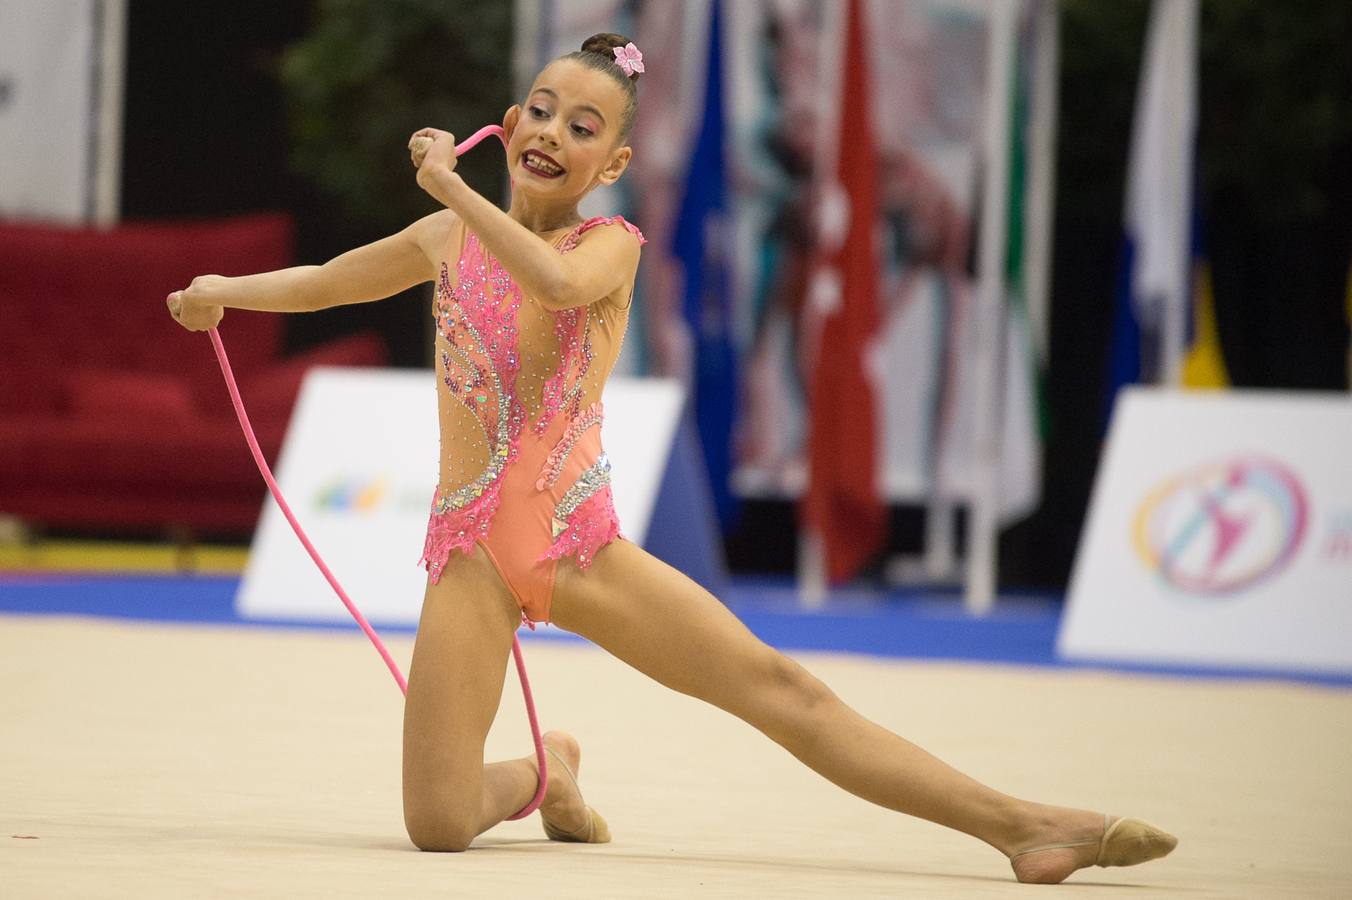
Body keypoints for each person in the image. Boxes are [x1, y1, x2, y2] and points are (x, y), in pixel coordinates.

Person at [166, 32, 1177, 884]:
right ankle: (545, 773)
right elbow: (329, 280)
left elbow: (552, 286)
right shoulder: (445, 235)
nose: (552, 132)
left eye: (583, 126)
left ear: (610, 164)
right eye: (541, 110)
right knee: (435, 822)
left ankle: (1020, 825)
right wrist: (224, 291)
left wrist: (454, 190)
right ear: (507, 125)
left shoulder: (611, 245)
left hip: (574, 547)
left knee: (780, 690)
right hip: (468, 553)